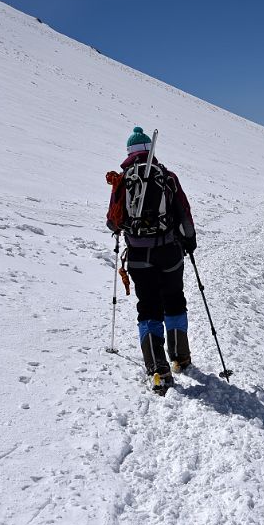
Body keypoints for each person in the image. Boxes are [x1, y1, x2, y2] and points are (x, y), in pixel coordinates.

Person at [106, 127, 198, 393]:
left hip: (138, 256)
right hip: (169, 252)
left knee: (148, 306)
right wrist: (189, 242)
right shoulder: (167, 177)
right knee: (174, 299)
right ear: (150, 151)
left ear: (129, 154)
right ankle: (180, 357)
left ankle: (158, 369)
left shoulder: (123, 180)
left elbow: (113, 222)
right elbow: (184, 213)